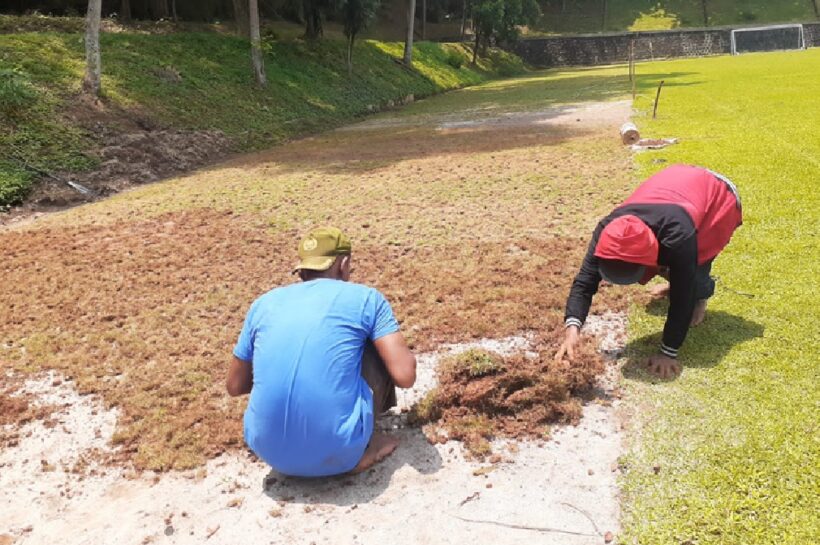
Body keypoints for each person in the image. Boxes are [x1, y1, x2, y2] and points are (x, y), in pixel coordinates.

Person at [226, 227, 416, 476]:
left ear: (302, 268)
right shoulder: (366, 298)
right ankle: (363, 447)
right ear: (343, 264)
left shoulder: (263, 304)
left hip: (267, 451)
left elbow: (235, 386)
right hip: (341, 450)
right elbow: (405, 376)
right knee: (368, 345)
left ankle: (297, 445)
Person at [555, 164, 742, 378]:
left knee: (691, 274)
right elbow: (584, 283)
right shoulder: (606, 231)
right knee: (677, 263)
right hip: (677, 186)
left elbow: (683, 294)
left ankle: (703, 294)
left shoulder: (677, 236)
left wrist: (668, 352)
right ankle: (673, 273)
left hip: (718, 195)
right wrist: (572, 331)